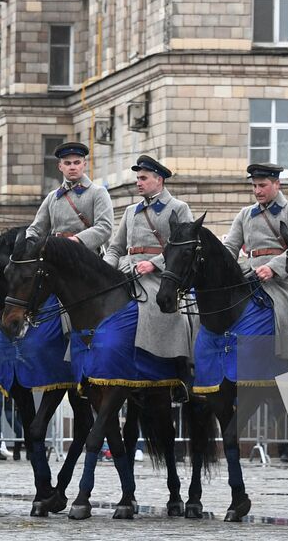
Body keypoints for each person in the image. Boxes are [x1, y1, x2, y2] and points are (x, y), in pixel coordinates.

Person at [103, 154, 195, 401]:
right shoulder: (131, 211)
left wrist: (153, 264)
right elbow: (115, 247)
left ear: (159, 180)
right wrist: (105, 269)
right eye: (137, 178)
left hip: (161, 274)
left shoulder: (178, 208)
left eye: (143, 178)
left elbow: (186, 249)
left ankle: (181, 373)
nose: (138, 183)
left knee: (171, 313)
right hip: (126, 271)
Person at [222, 162, 288, 348]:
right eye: (254, 186)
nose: (257, 191)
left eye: (262, 185)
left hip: (282, 279)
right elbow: (230, 247)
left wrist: (273, 268)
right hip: (249, 274)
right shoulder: (245, 214)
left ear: (277, 184)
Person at [26, 141, 113, 252]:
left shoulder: (98, 192)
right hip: (56, 254)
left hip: (85, 255)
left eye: (77, 163)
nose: (72, 167)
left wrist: (76, 240)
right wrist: (28, 243)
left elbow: (105, 227)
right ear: (60, 166)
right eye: (67, 163)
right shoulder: (52, 197)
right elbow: (36, 229)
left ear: (84, 164)